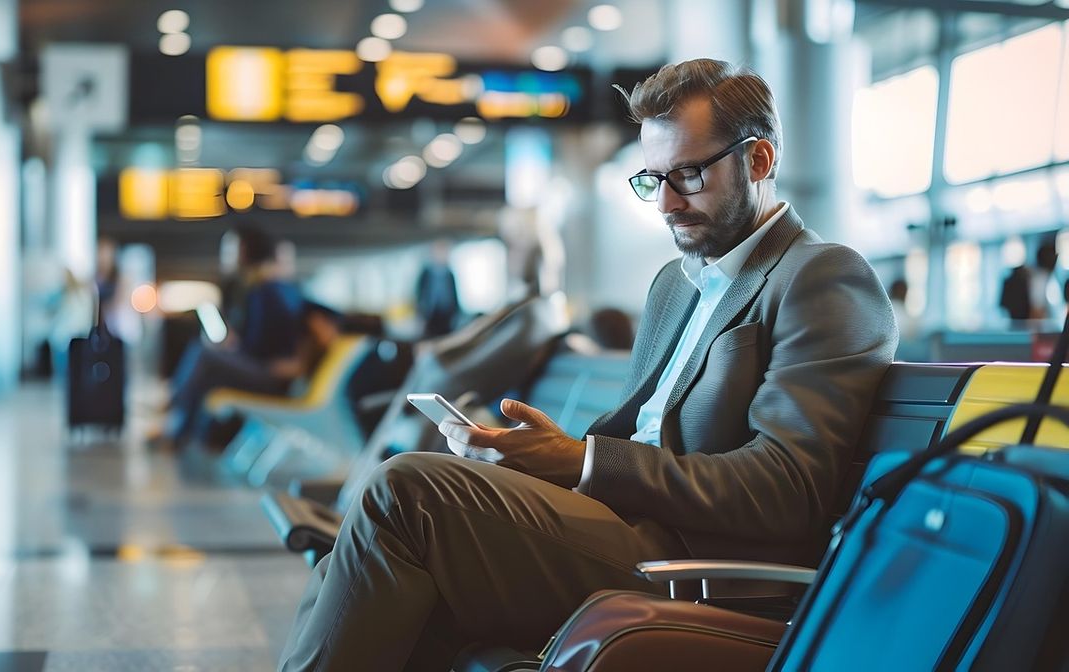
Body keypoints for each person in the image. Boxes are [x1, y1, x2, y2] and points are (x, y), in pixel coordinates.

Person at [278, 59, 898, 671]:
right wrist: (535, 455)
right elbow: (633, 437)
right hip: (619, 530)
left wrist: (585, 462)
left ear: (758, 160)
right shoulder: (674, 286)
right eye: (653, 180)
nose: (666, 204)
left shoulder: (820, 276)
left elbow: (787, 489)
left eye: (687, 174)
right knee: (367, 555)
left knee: (405, 492)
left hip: (696, 566)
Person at [159, 228, 308, 448]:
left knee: (204, 355)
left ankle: (175, 419)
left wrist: (233, 346)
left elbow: (260, 348)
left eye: (229, 248)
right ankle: (181, 427)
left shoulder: (267, 292)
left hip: (270, 375)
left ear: (244, 252)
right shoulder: (268, 290)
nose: (224, 255)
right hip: (265, 369)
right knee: (207, 362)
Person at [414, 240, 460, 338]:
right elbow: (419, 295)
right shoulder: (425, 273)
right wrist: (420, 316)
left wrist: (456, 315)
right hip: (430, 316)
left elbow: (454, 296)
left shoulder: (449, 274)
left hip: (447, 316)